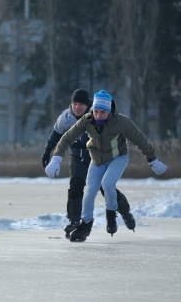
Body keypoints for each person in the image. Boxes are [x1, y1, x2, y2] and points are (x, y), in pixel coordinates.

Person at [46, 90, 168, 242]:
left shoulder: (122, 122)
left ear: (109, 111)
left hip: (118, 157)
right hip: (97, 159)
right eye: (95, 111)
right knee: (89, 191)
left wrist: (152, 160)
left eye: (102, 112)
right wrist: (56, 157)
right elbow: (68, 137)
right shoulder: (88, 119)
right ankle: (86, 224)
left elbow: (140, 140)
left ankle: (113, 215)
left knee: (107, 184)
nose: (98, 116)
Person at [41, 89, 133, 237]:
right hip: (77, 157)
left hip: (96, 157)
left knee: (105, 187)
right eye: (74, 104)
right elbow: (56, 136)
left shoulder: (96, 114)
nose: (77, 107)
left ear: (88, 105)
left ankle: (124, 211)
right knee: (76, 185)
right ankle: (75, 221)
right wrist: (47, 152)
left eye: (81, 104)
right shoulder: (65, 117)